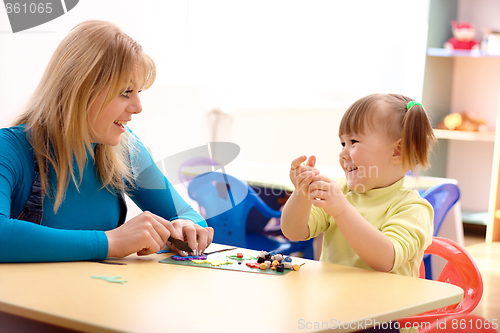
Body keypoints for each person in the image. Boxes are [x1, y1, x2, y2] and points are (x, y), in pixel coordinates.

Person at [0, 20, 213, 263]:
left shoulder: (125, 150)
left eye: (138, 92)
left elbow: (187, 215)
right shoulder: (10, 149)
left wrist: (186, 226)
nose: (138, 107)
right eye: (125, 93)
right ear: (80, 89)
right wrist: (111, 242)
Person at [281, 93, 435, 278]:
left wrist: (341, 210)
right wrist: (301, 193)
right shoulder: (339, 193)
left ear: (397, 151)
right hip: (334, 302)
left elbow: (385, 259)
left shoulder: (413, 209)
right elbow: (293, 231)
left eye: (353, 142)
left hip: (389, 305)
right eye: (342, 143)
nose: (343, 153)